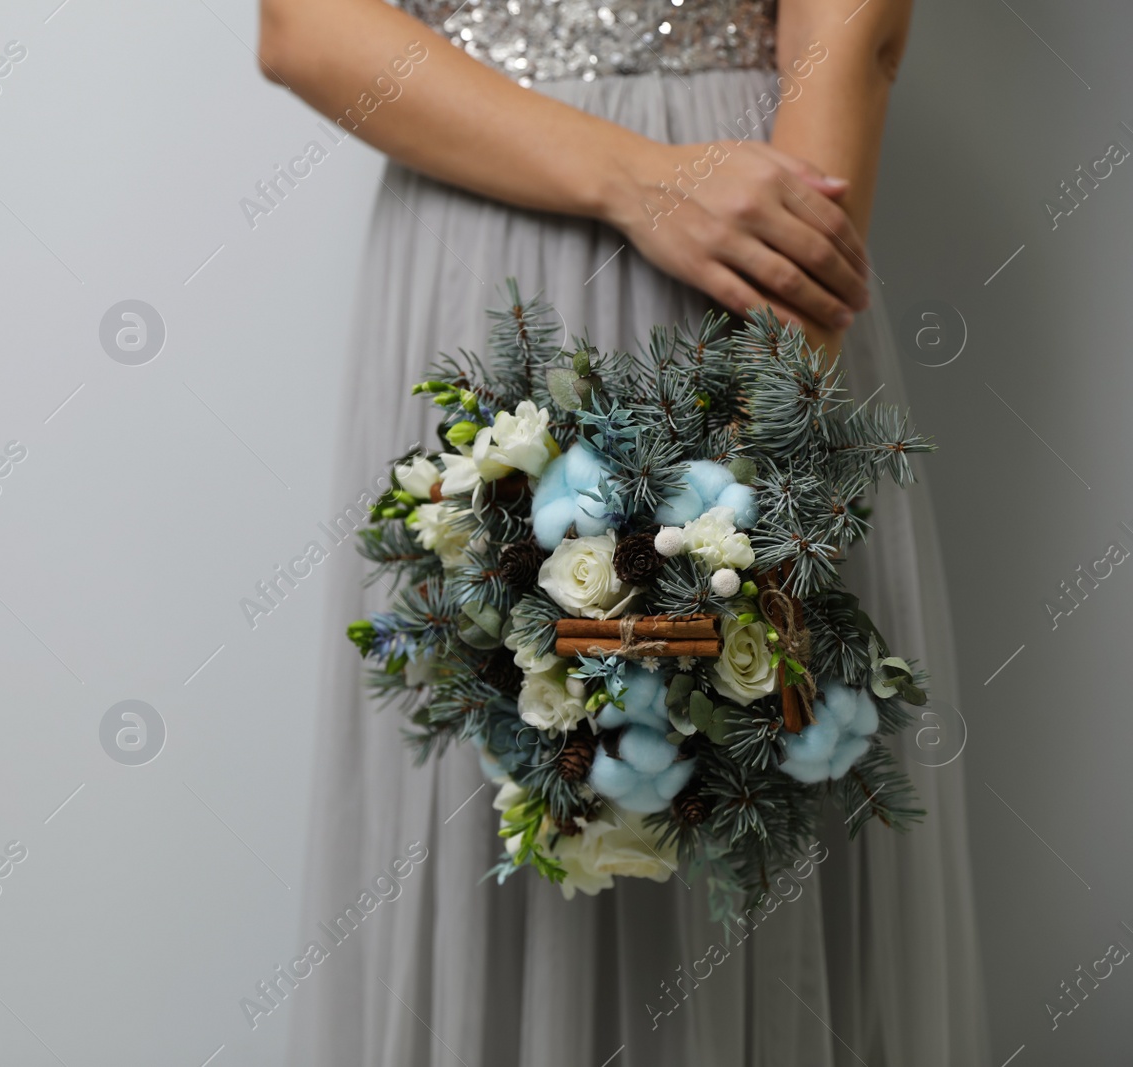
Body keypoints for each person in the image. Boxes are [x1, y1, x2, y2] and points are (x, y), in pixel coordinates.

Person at [260, 1, 988, 1064]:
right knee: (502, 810)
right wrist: (635, 178)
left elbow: (849, 37)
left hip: (744, 243)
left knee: (746, 764)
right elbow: (306, 28)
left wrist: (776, 393)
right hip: (481, 227)